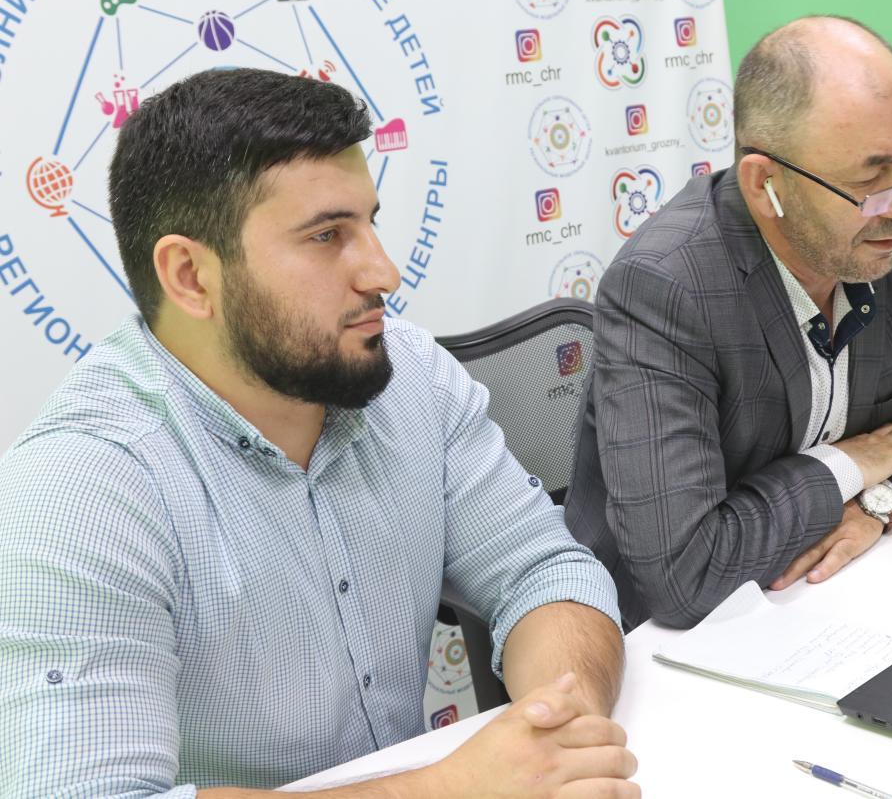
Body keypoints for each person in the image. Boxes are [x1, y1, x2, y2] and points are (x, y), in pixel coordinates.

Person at [0, 68, 638, 798]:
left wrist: (562, 732)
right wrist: (448, 788)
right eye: (327, 235)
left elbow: (544, 572)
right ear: (191, 277)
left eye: (370, 223)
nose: (383, 272)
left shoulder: (412, 377)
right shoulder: (78, 492)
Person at [564, 16, 892, 630]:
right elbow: (681, 575)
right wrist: (846, 467)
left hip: (834, 601)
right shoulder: (667, 288)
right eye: (872, 181)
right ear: (765, 184)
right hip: (669, 642)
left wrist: (880, 502)